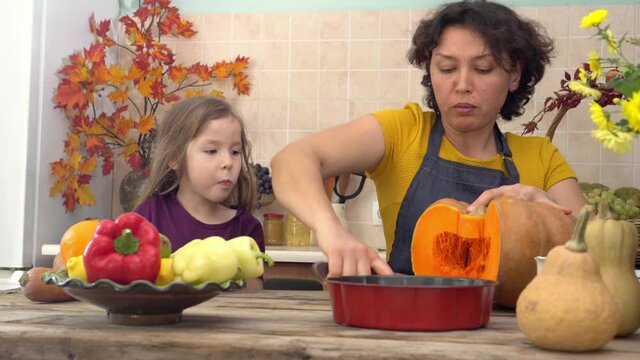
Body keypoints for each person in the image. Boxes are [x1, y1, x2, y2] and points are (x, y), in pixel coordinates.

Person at [270, 0, 586, 278]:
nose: (463, 84)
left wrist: (550, 215)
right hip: (408, 327)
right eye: (447, 68)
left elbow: (602, 250)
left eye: (483, 68)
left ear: (514, 74)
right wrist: (330, 229)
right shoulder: (403, 132)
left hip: (513, 337)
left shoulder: (541, 157)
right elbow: (290, 160)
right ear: (430, 71)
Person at [135, 96, 265, 288]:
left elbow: (255, 294)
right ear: (174, 158)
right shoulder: (149, 215)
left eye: (235, 152)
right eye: (212, 151)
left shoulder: (246, 229)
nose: (228, 162)